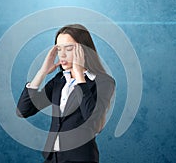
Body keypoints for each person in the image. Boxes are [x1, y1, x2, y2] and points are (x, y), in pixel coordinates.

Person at [16, 24, 115, 163]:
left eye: (68, 49)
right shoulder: (60, 80)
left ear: (84, 50)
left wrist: (80, 77)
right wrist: (42, 72)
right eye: (59, 49)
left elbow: (91, 117)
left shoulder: (104, 82)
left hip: (80, 159)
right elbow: (23, 111)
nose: (62, 55)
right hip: (52, 158)